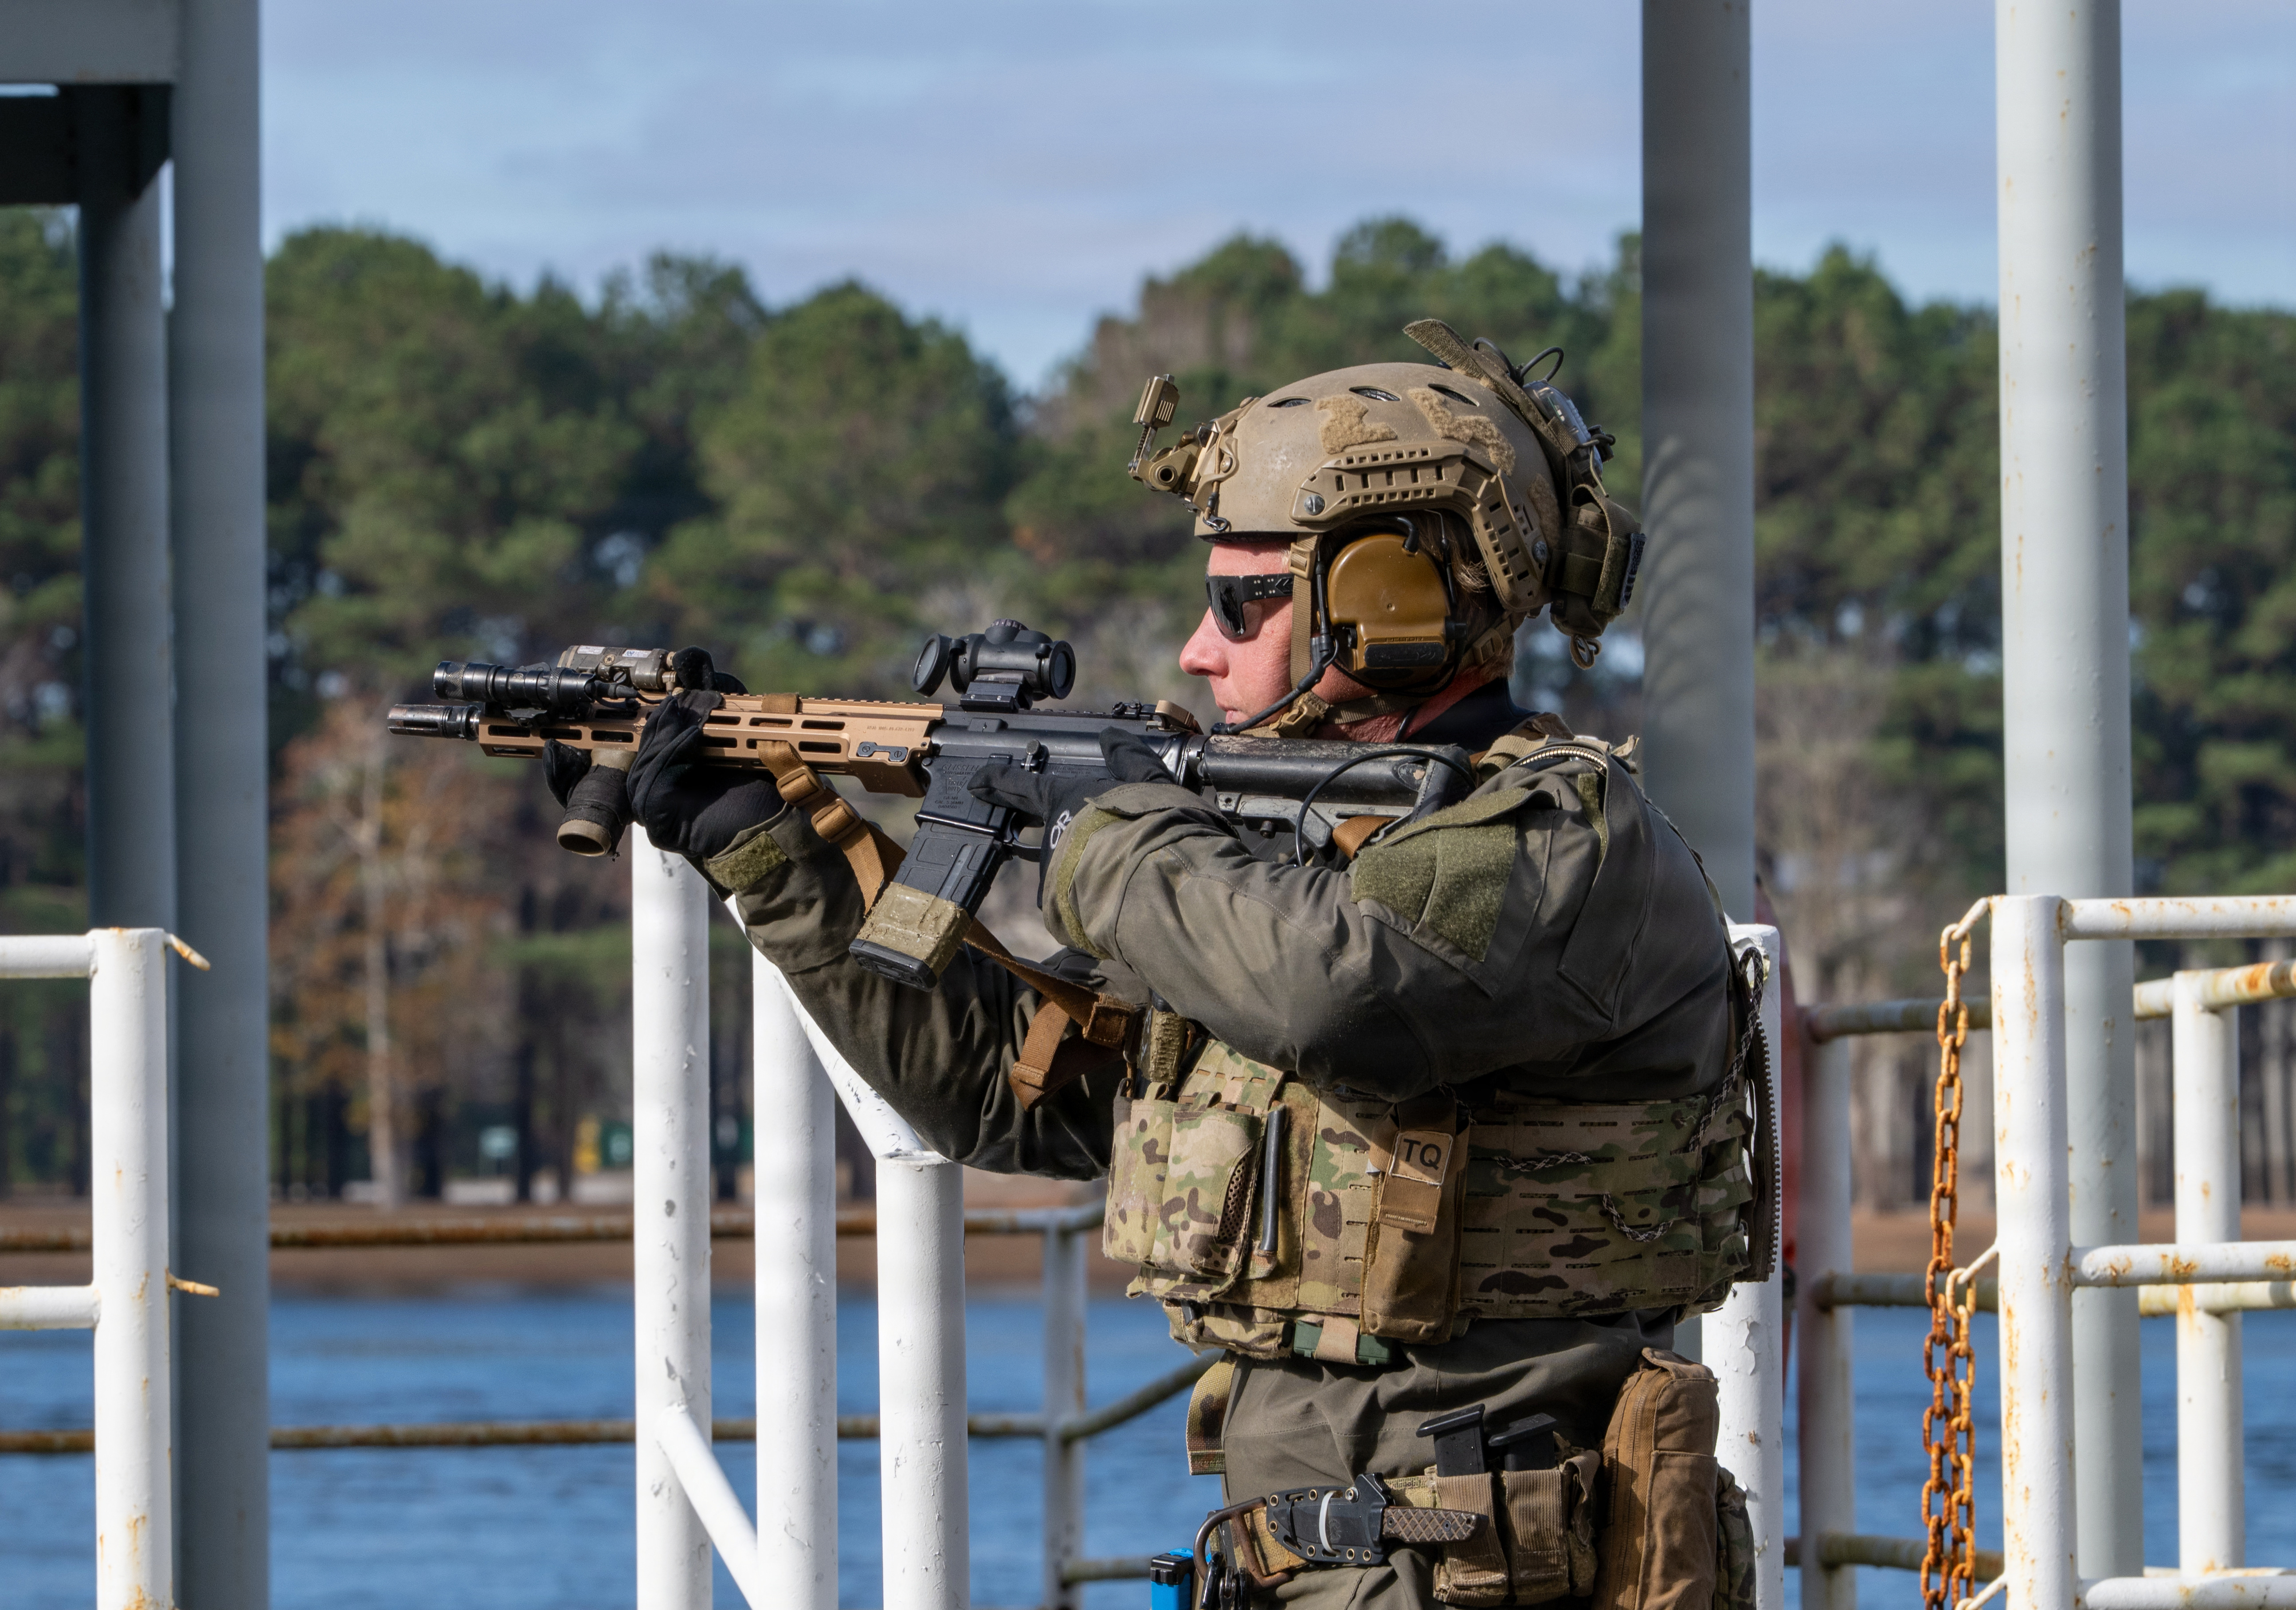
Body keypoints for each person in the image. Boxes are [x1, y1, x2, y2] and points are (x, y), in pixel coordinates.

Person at [588, 320, 1763, 1608]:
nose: (1201, 652)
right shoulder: (1268, 863)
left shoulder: (1566, 842)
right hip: (1311, 1561)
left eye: (1239, 602)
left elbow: (1342, 987)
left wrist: (1103, 828)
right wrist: (763, 844)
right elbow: (1014, 1090)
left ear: (1387, 600)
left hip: (1497, 1568)